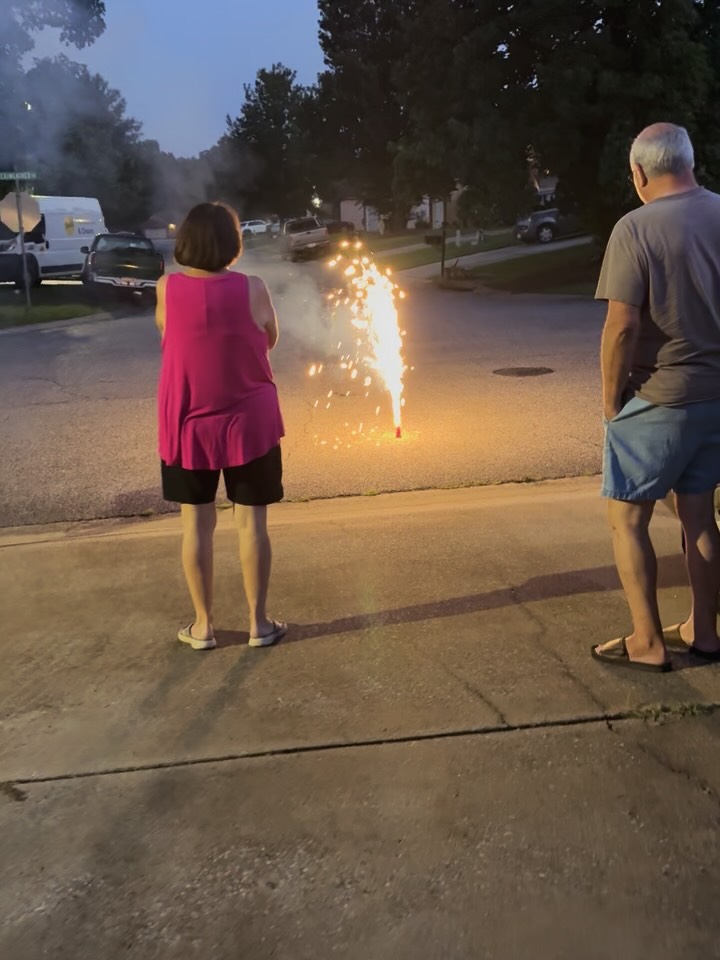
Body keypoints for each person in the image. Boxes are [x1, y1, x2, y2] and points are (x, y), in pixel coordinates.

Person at [592, 123, 720, 673]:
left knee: (627, 520)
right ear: (691, 162)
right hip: (716, 398)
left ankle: (647, 642)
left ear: (639, 173)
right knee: (700, 517)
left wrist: (610, 402)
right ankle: (706, 633)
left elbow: (620, 327)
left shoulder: (635, 228)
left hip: (660, 395)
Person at [156, 202, 287, 651]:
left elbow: (167, 335)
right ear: (233, 243)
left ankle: (203, 627)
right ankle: (259, 624)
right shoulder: (253, 287)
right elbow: (270, 338)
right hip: (250, 422)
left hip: (188, 424)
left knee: (196, 525)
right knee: (252, 524)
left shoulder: (166, 288)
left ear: (185, 242)